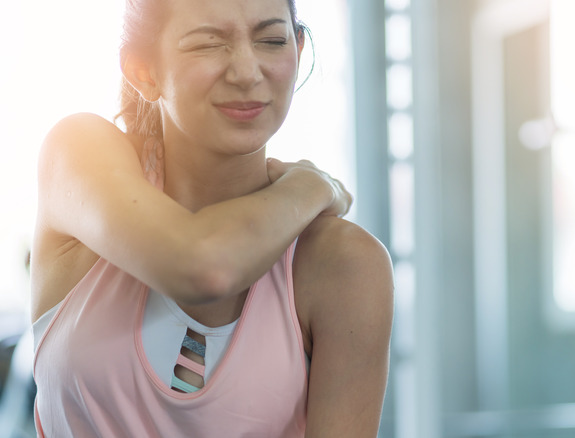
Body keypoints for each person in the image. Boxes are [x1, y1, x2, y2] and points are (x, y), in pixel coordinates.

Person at [29, 0, 394, 436]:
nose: (246, 71)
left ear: (297, 49)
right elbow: (203, 267)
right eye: (208, 44)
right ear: (143, 71)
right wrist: (312, 186)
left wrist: (311, 189)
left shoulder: (344, 263)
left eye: (273, 40)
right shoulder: (80, 153)